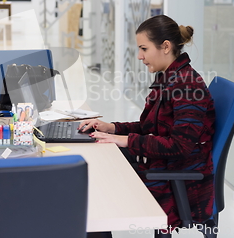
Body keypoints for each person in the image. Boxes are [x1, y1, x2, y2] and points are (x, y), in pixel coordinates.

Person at [80, 15, 216, 233]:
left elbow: (180, 147)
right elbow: (149, 127)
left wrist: (124, 140)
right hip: (162, 166)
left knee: (95, 194)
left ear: (165, 46)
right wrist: (111, 128)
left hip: (178, 178)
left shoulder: (188, 86)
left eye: (144, 48)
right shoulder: (170, 78)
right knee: (94, 179)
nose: (139, 56)